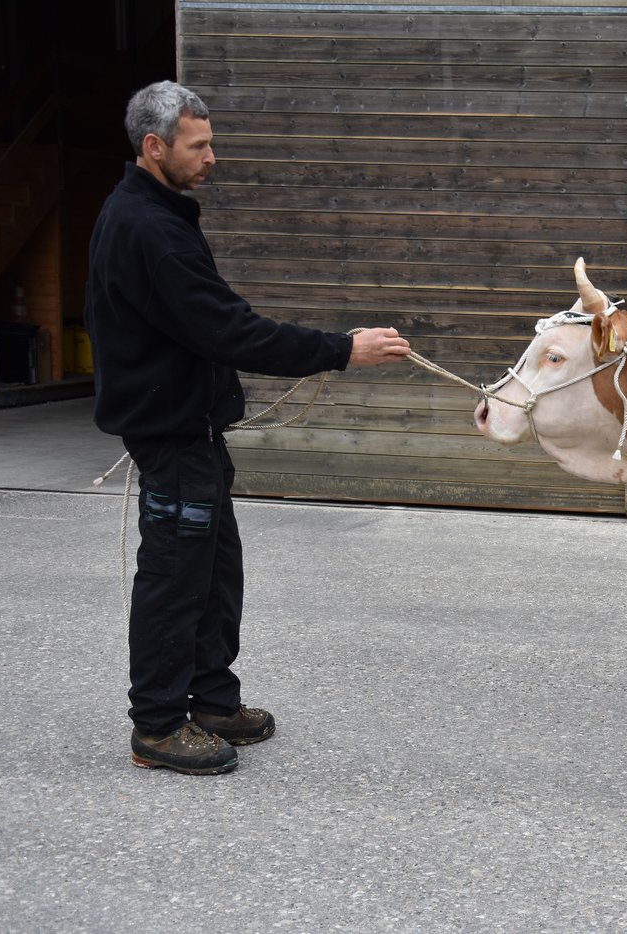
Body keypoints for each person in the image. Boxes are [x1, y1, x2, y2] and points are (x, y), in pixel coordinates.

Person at [84, 81, 412, 775]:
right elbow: (229, 329)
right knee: (176, 579)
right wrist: (341, 350)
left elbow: (208, 325)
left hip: (196, 431)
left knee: (215, 574)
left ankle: (210, 700)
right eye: (198, 146)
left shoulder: (161, 214)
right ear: (154, 147)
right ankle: (158, 727)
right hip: (172, 437)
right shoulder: (148, 230)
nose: (212, 157)